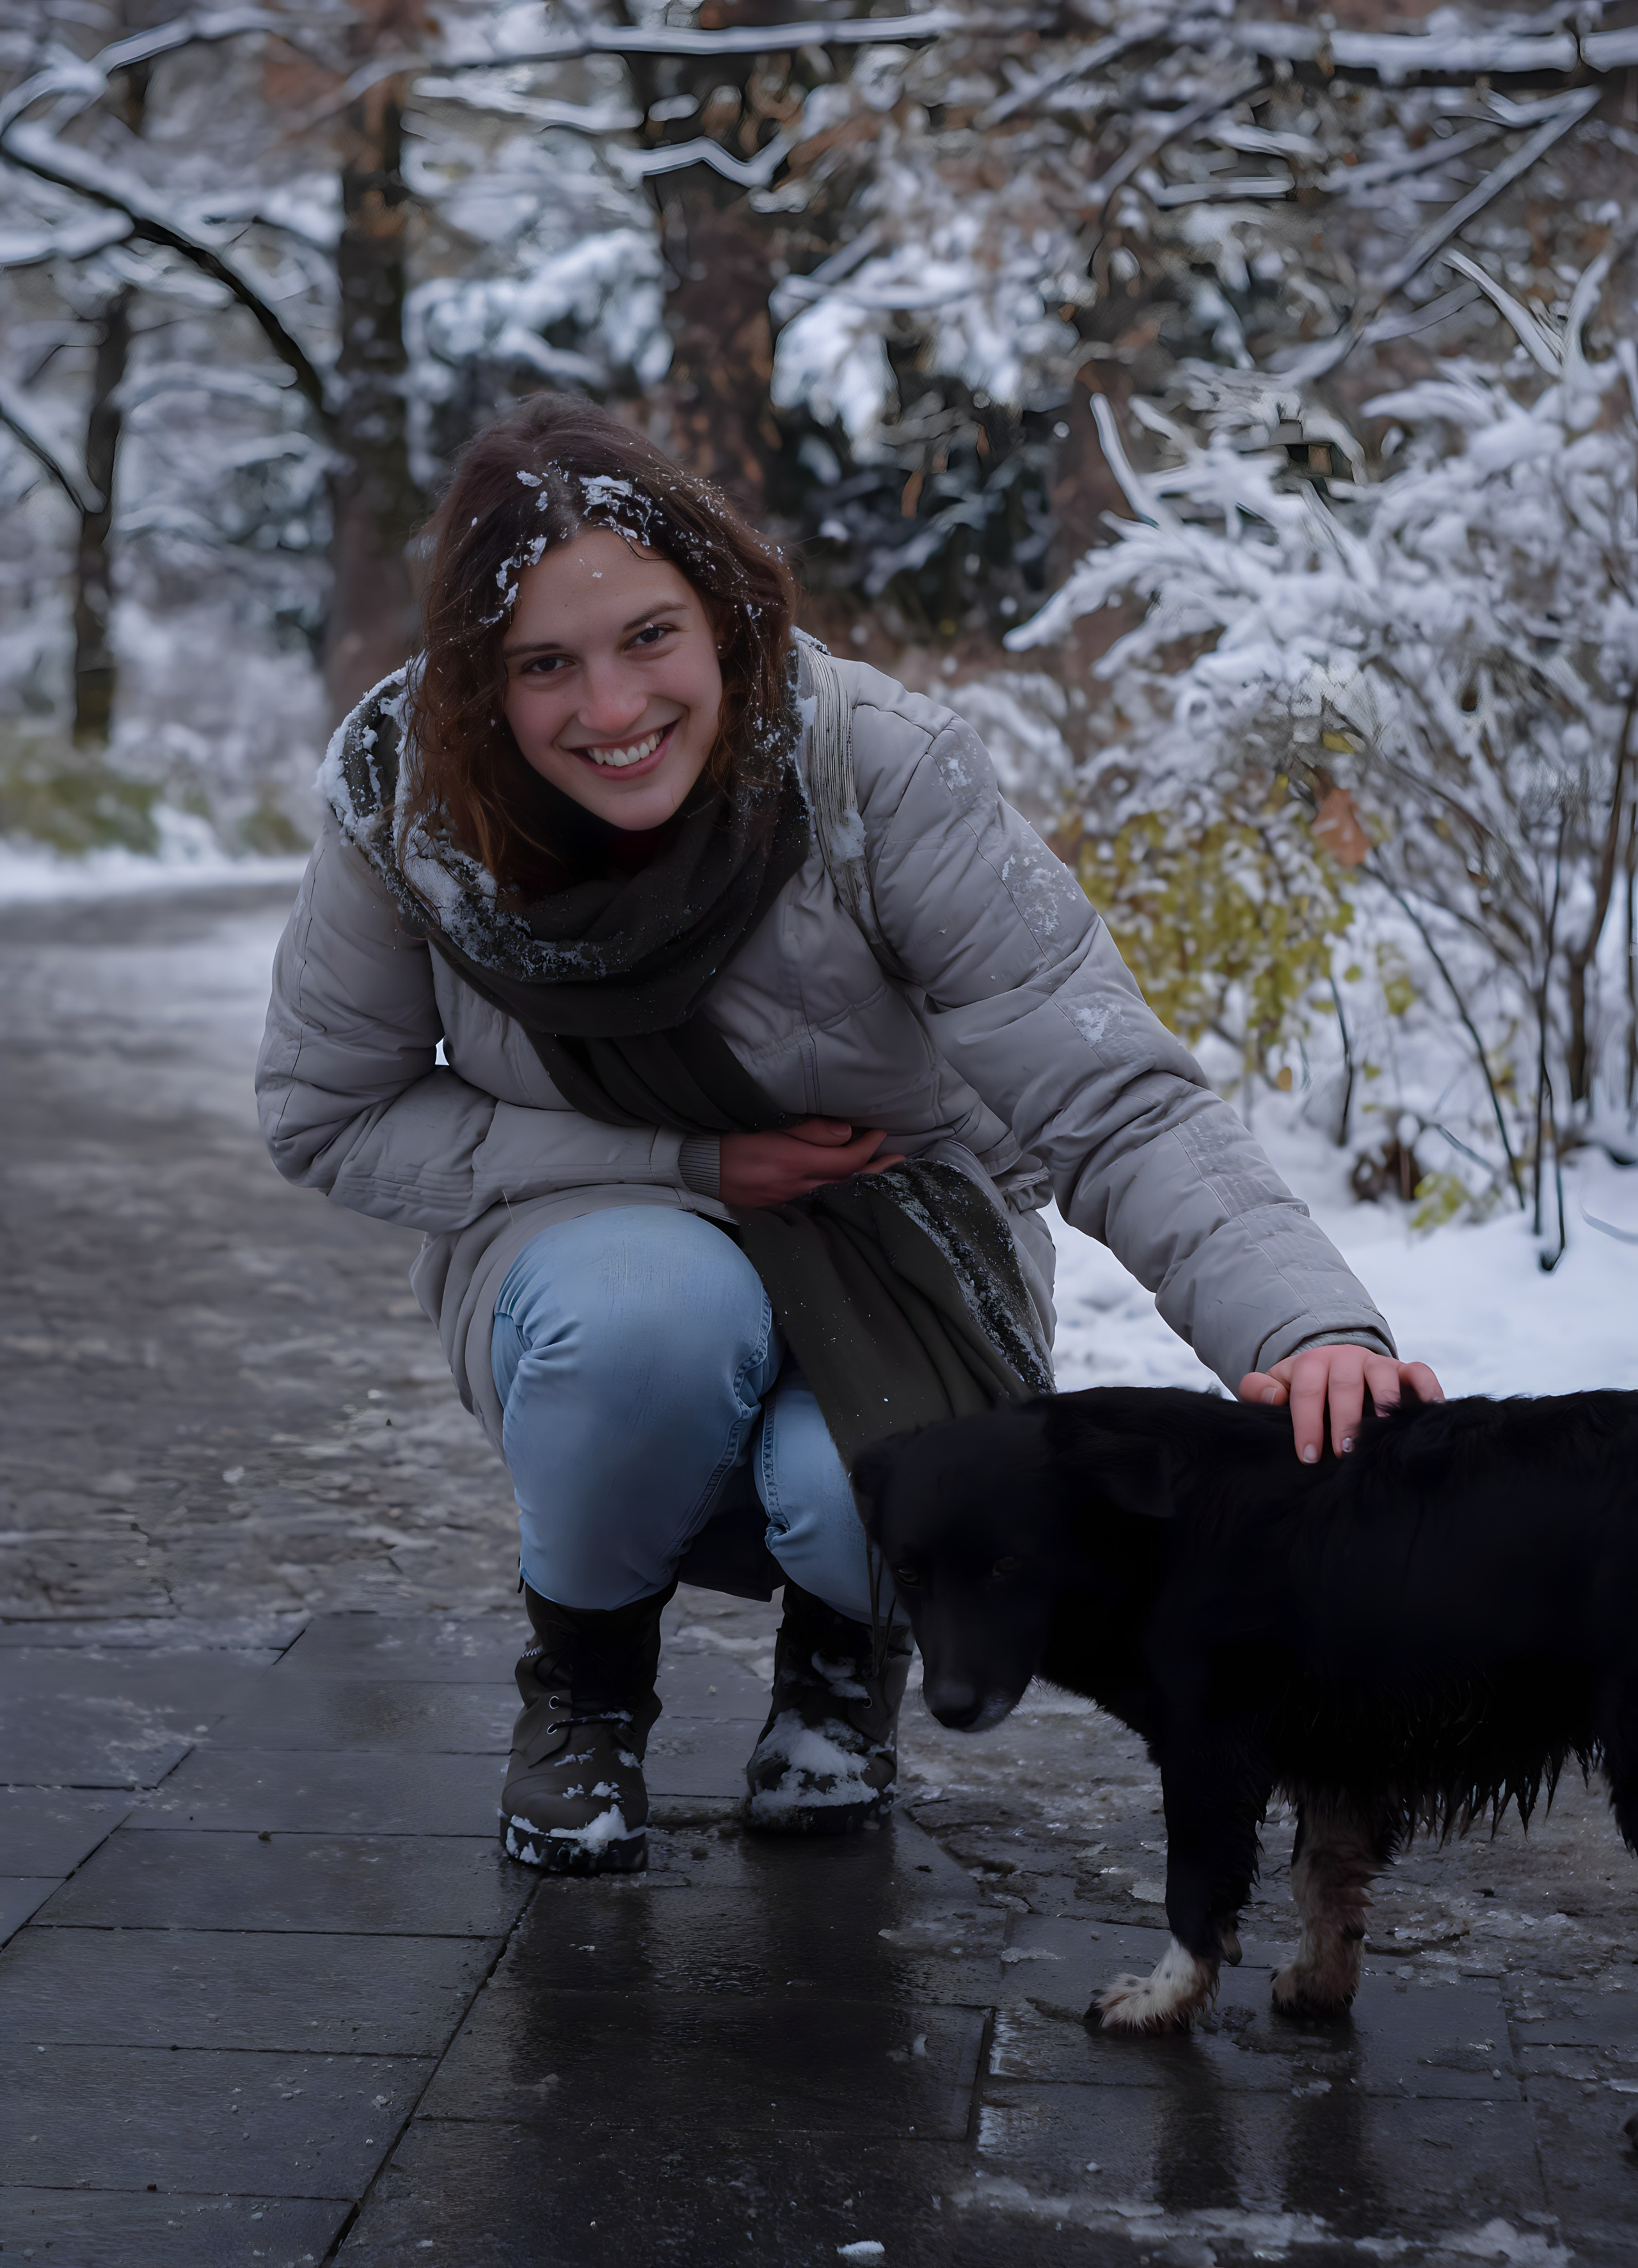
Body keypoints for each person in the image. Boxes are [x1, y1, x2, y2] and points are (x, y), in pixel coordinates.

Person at [257, 392, 1441, 1875]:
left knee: (859, 1503)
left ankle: (840, 1655)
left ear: (724, 609)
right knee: (642, 1318)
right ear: (477, 683)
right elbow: (330, 1112)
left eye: (647, 639)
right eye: (543, 666)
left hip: (908, 1242)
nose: (610, 711)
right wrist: (685, 1169)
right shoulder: (411, 815)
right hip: (587, 1253)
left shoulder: (869, 769)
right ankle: (585, 1683)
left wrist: (1309, 1326)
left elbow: (1105, 1089)